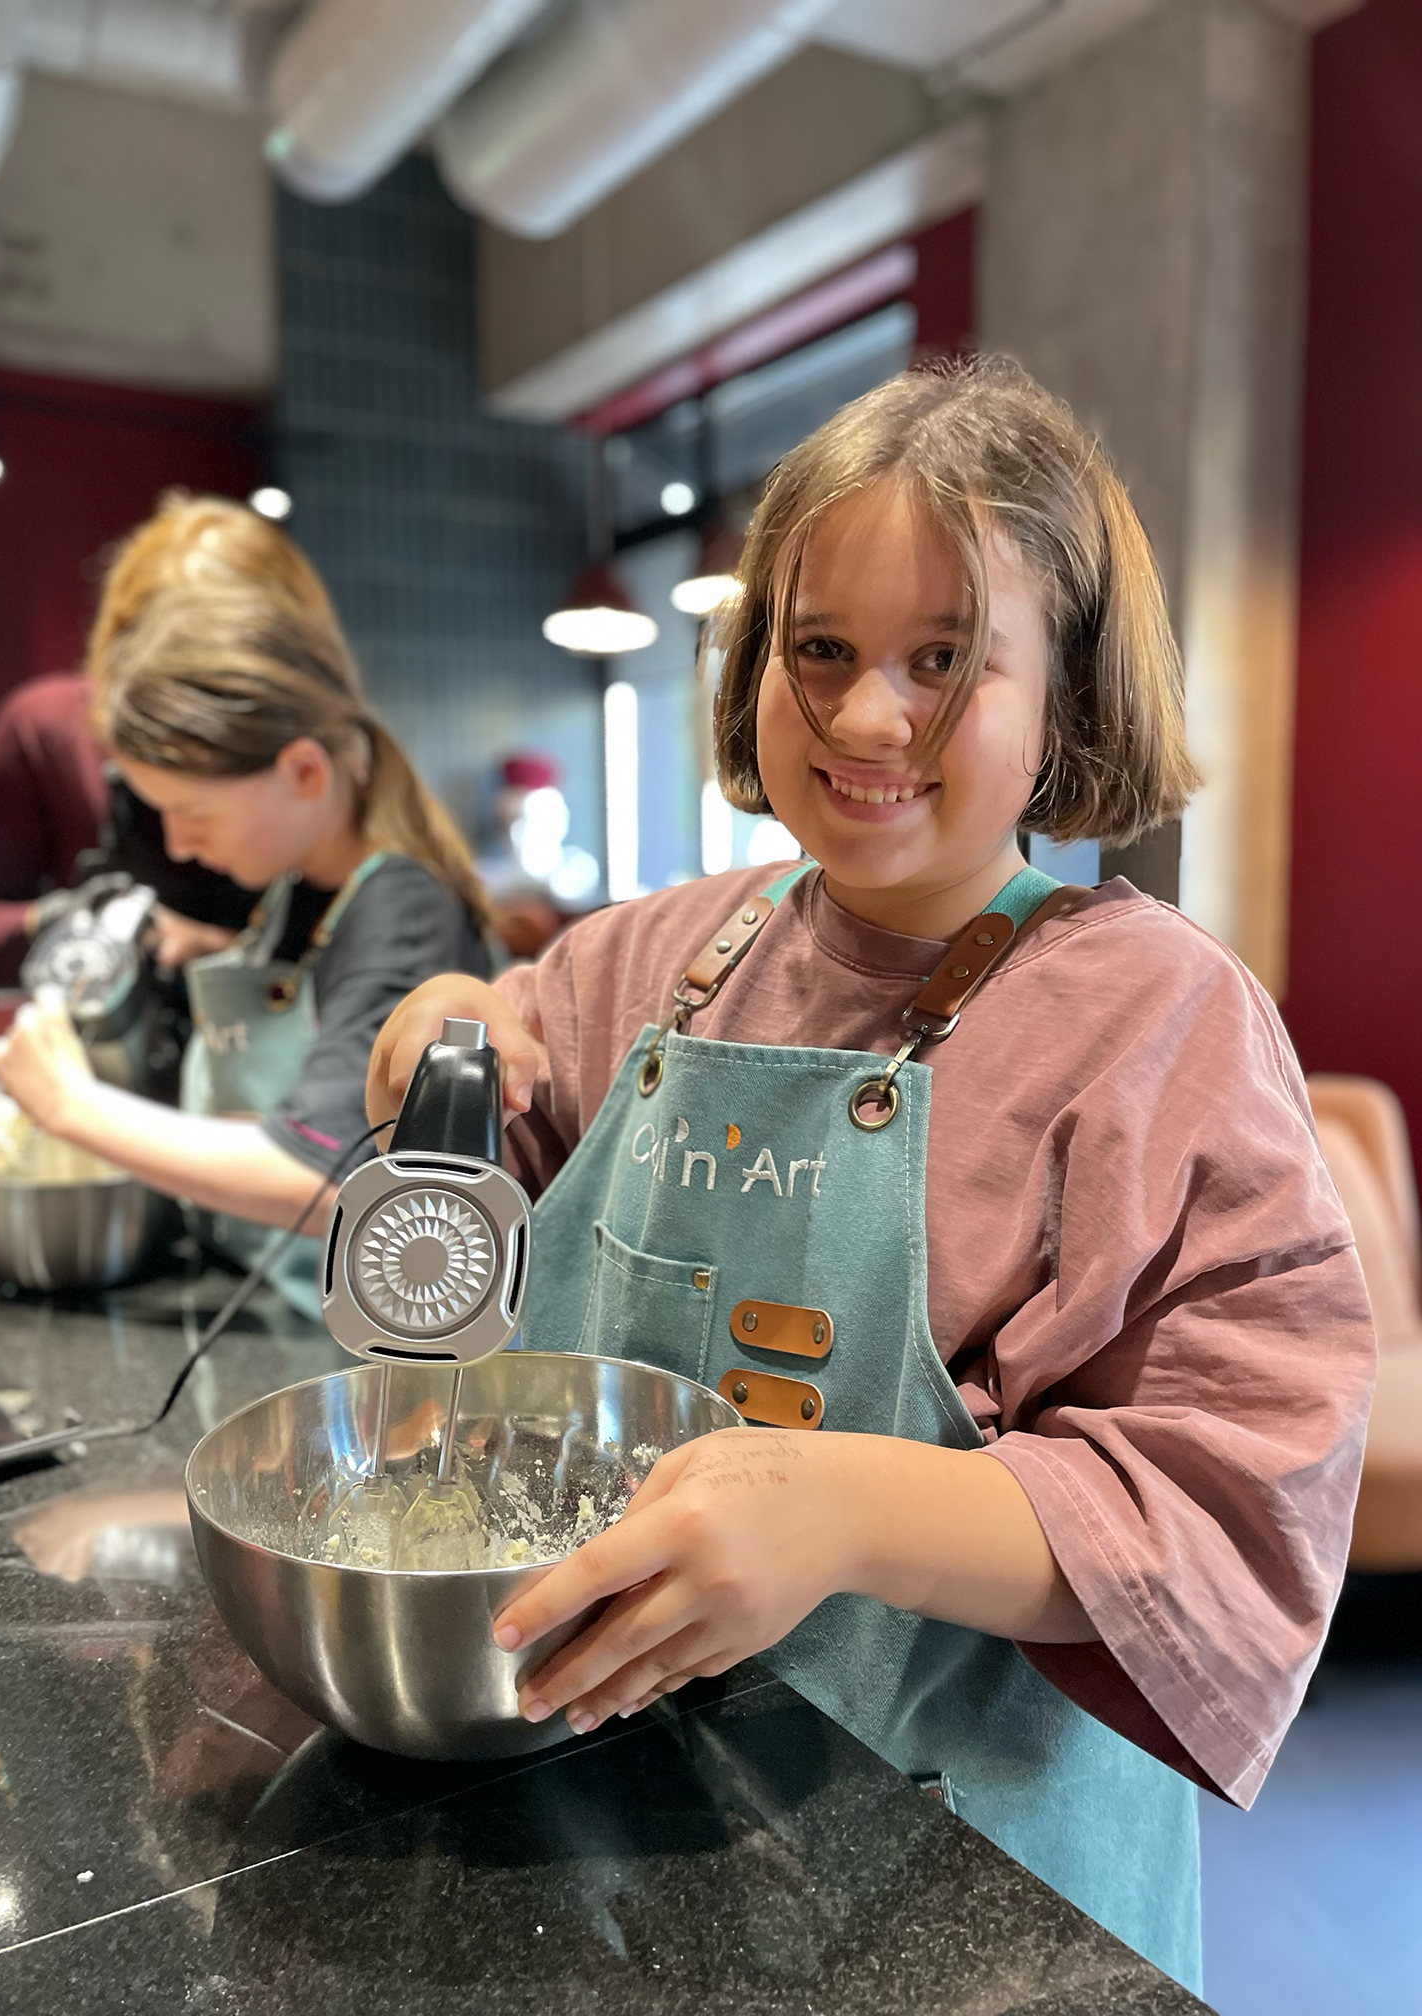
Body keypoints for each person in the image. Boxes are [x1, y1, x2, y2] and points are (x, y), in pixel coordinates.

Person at [364, 358, 1375, 1992]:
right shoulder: (655, 957)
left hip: (972, 1883)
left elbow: (1226, 1508)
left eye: (946, 663)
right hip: (636, 1820)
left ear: (1069, 704)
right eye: (816, 650)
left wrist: (846, 1511)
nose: (862, 717)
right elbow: (492, 1189)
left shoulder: (1158, 1027)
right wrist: (452, 1029)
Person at [0, 581, 491, 1318]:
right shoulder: (295, 889)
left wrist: (68, 1104)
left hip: (354, 1339)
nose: (178, 844)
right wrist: (218, 946)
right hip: (269, 1298)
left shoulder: (402, 909)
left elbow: (328, 1181)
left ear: (305, 773)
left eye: (191, 812)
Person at [0, 492, 346, 986]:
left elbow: (354, 960)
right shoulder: (49, 728)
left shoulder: (317, 763)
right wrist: (62, 922)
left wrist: (214, 950)